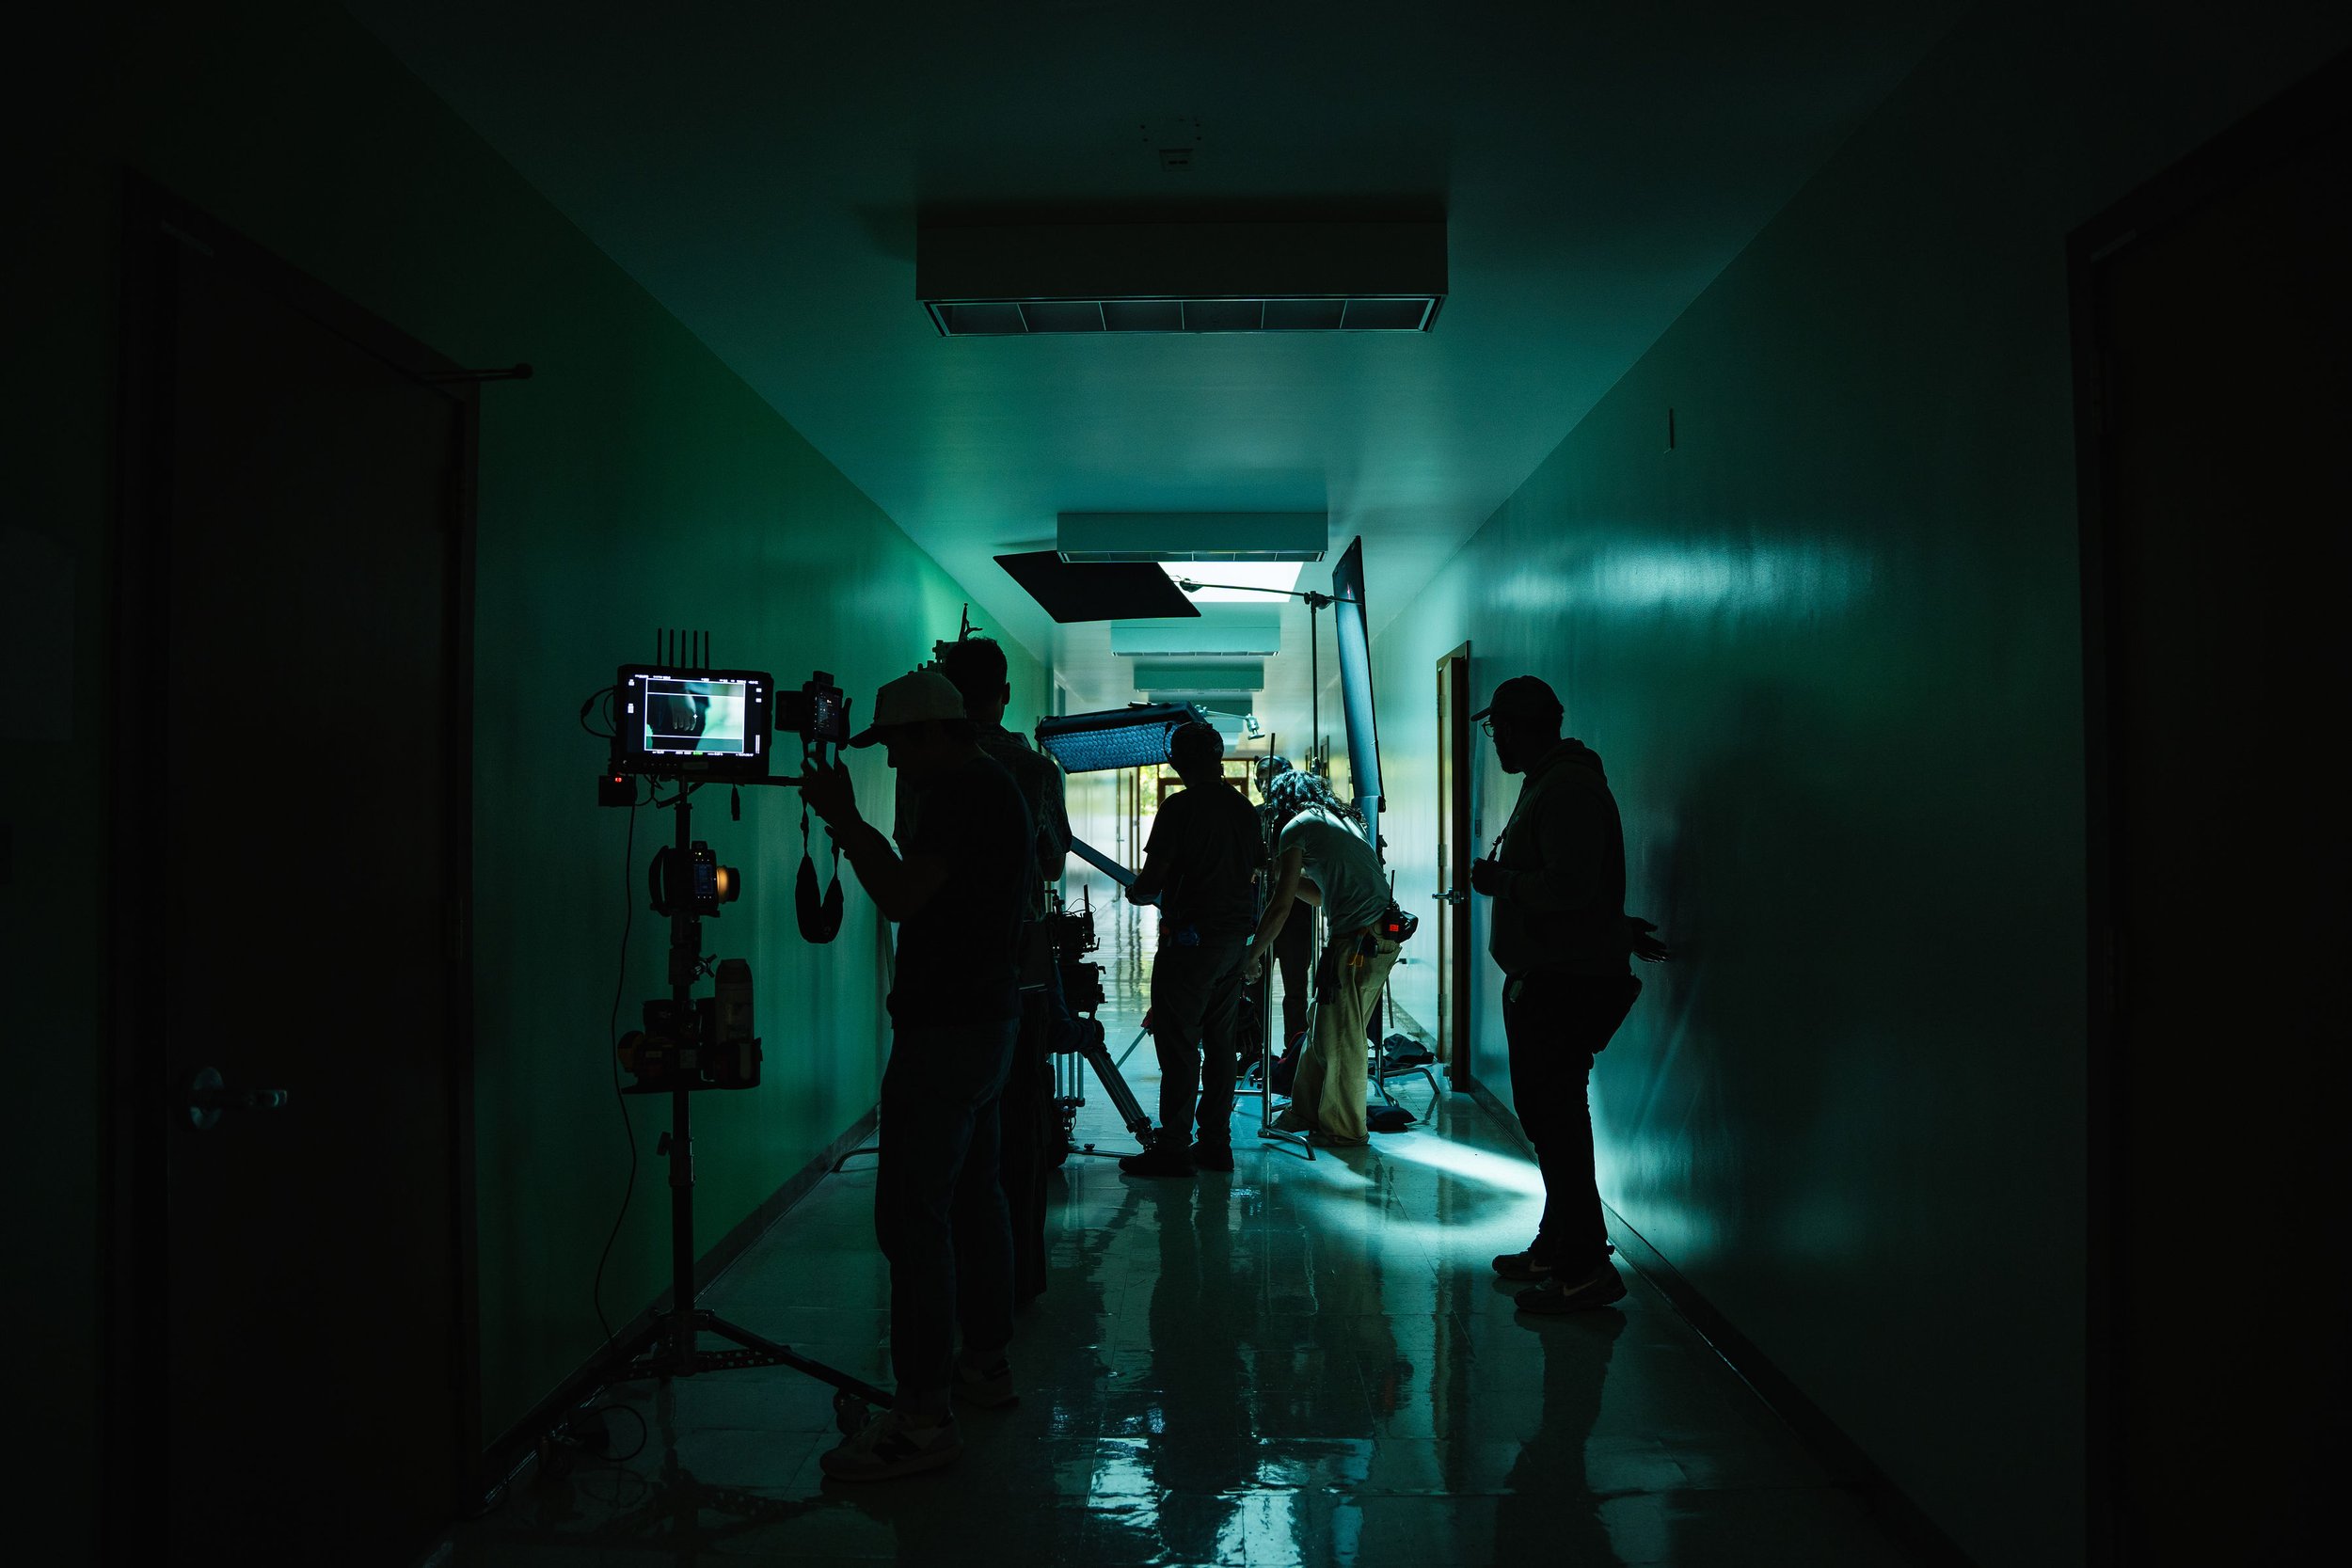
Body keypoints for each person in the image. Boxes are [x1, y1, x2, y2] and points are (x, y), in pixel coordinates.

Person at [798, 668, 1033, 1480]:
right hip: (989, 1021)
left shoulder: (964, 793)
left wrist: (845, 822)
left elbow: (900, 894)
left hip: (947, 1032)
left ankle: (924, 1416)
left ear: (935, 731)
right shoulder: (993, 785)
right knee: (975, 1194)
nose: (893, 763)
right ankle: (984, 1362)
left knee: (912, 1217)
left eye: (896, 746)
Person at [1468, 675, 1650, 1316]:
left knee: (1560, 1125)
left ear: (1518, 726)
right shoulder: (1548, 782)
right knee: (1550, 1122)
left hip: (1563, 982)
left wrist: (1501, 881)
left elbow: (1568, 887)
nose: (1494, 744)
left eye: (1495, 732)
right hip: (1548, 977)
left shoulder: (1567, 787)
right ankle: (1556, 1246)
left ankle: (1586, 1269)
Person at [935, 637, 1070, 1305]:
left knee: (945, 1136)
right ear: (1006, 692)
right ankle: (1019, 1277)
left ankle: (955, 1280)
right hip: (1018, 966)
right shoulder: (1034, 767)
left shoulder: (929, 762)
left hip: (940, 969)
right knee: (1018, 1128)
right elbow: (1050, 863)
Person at [1118, 722, 1261, 1177]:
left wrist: (1138, 892)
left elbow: (1152, 880)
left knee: (1179, 1047)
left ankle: (1174, 1147)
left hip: (1189, 945)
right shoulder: (1244, 810)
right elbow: (1255, 870)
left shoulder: (1178, 809)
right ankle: (1216, 1144)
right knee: (1220, 1047)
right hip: (1233, 943)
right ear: (1219, 759)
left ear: (1176, 762)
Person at [1246, 769, 1396, 1147]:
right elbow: (1322, 896)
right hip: (1374, 933)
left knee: (1343, 1037)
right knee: (1322, 1024)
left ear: (1280, 802)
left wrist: (1252, 954)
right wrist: (1287, 876)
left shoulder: (1295, 826)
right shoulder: (1340, 818)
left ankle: (1346, 1130)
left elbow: (1279, 908)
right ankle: (1305, 1109)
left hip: (1360, 939)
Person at [1250, 756, 1315, 1071]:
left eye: (1274, 774)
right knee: (1254, 989)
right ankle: (1255, 1052)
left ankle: (1295, 1051)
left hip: (1297, 917)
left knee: (1296, 990)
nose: (1266, 781)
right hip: (1258, 916)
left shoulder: (1300, 821)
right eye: (1261, 776)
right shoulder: (1254, 818)